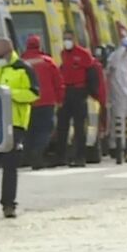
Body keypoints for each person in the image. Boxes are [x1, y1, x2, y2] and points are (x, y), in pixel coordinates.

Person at [0, 38, 39, 219]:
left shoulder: (23, 68)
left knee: (10, 167)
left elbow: (33, 93)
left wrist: (7, 93)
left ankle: (9, 205)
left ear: (8, 52)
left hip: (14, 124)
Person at [21, 34, 65, 170]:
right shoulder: (47, 61)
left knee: (29, 130)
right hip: (46, 101)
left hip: (27, 101)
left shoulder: (21, 62)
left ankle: (29, 155)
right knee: (45, 129)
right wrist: (60, 99)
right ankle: (37, 152)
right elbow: (58, 82)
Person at [55, 29, 94, 168]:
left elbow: (91, 73)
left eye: (69, 38)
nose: (67, 41)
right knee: (62, 126)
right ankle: (62, 156)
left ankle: (80, 157)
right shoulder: (63, 54)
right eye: (65, 38)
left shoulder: (83, 54)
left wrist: (88, 91)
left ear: (74, 39)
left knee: (79, 127)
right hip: (66, 92)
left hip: (78, 91)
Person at [106, 36, 127, 155]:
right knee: (118, 119)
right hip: (118, 94)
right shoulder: (115, 57)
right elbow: (109, 72)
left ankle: (126, 144)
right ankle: (117, 145)